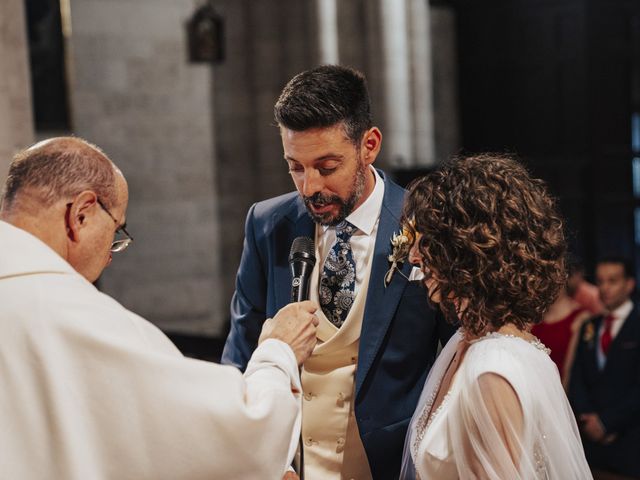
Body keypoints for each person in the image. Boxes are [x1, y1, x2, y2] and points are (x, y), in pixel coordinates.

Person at [0, 137, 320, 480]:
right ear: (81, 214)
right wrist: (278, 352)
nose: (110, 255)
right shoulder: (84, 322)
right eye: (116, 231)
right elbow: (238, 433)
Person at [221, 65, 452, 479]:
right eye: (295, 167)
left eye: (326, 167)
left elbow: (455, 364)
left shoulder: (426, 226)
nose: (309, 186)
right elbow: (239, 356)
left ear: (369, 145)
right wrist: (260, 461)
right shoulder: (266, 225)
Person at [400, 154, 592, 479]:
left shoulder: (492, 369)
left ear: (469, 252)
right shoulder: (467, 341)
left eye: (428, 242)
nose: (414, 256)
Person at [569, 256, 640, 479]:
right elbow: (577, 378)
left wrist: (607, 422)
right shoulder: (590, 325)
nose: (604, 288)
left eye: (612, 281)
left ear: (629, 284)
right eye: (600, 281)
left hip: (631, 440)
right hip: (592, 444)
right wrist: (588, 419)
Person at [531, 280, 591, 389]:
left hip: (563, 393)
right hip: (534, 390)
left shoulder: (581, 318)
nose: (547, 283)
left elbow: (571, 370)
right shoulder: (532, 320)